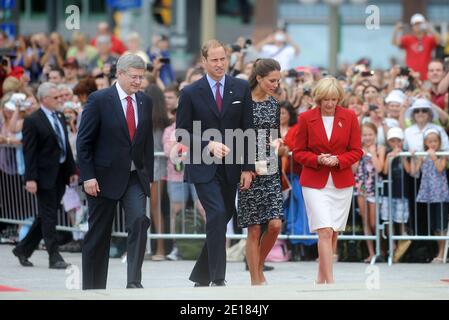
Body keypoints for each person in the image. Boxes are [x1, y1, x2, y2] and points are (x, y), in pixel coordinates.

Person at [176, 39, 254, 287]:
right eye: (214, 60)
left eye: (223, 59)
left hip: (232, 166)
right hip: (202, 164)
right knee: (218, 213)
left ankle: (201, 275)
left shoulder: (240, 88)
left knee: (224, 215)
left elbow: (248, 129)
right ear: (204, 62)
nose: (220, 64)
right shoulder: (190, 92)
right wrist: (207, 144)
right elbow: (181, 133)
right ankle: (218, 278)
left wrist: (248, 167)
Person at [77, 54, 154, 289]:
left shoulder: (145, 101)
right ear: (119, 74)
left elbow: (146, 142)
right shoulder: (99, 100)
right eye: (134, 77)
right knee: (99, 234)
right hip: (102, 179)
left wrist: (147, 176)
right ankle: (93, 288)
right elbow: (83, 142)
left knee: (139, 222)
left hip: (134, 177)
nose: (138, 82)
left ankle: (133, 282)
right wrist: (88, 176)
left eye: (141, 77)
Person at [293, 76, 363, 284]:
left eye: (334, 99)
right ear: (318, 99)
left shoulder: (350, 117)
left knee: (333, 233)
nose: (330, 104)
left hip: (341, 182)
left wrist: (339, 160)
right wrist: (317, 159)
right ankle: (330, 282)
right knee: (324, 230)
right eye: (326, 100)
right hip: (314, 182)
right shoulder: (306, 118)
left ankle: (320, 279)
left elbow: (356, 150)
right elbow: (298, 152)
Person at [12, 82, 77, 269]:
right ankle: (54, 256)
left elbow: (64, 146)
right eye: (55, 98)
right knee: (49, 217)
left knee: (45, 216)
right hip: (43, 176)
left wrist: (71, 170)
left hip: (60, 174)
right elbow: (29, 152)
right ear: (44, 99)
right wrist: (30, 179)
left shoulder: (59, 115)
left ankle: (23, 249)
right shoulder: (33, 120)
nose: (60, 100)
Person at [237, 59, 283, 286]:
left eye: (278, 81)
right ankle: (256, 280)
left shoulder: (274, 104)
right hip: (249, 171)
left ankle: (258, 264)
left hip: (271, 169)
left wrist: (279, 144)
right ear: (259, 78)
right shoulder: (241, 103)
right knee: (254, 228)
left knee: (275, 225)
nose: (275, 85)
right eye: (271, 80)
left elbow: (276, 135)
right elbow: (236, 138)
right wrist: (244, 166)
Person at [411, 128, 449, 263]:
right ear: (425, 142)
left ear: (439, 142)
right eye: (430, 141)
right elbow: (414, 172)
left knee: (441, 225)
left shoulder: (443, 154)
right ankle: (440, 252)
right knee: (434, 225)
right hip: (429, 194)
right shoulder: (424, 154)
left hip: (440, 194)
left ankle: (442, 253)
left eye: (435, 141)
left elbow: (440, 168)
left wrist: (434, 157)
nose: (432, 144)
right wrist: (416, 158)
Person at [354, 122, 385, 263]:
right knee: (365, 221)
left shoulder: (380, 148)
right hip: (362, 187)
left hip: (375, 187)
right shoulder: (357, 149)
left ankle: (381, 250)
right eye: (365, 134)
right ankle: (371, 253)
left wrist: (372, 153)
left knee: (374, 222)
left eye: (370, 134)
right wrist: (357, 154)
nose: (367, 137)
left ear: (376, 135)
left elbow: (380, 169)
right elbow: (353, 170)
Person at [392, 13, 440, 80]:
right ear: (412, 26)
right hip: (410, 76)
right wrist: (396, 30)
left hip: (426, 76)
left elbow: (440, 41)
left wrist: (429, 28)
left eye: (420, 24)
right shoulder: (407, 39)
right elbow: (394, 43)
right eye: (415, 24)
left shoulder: (429, 39)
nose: (417, 26)